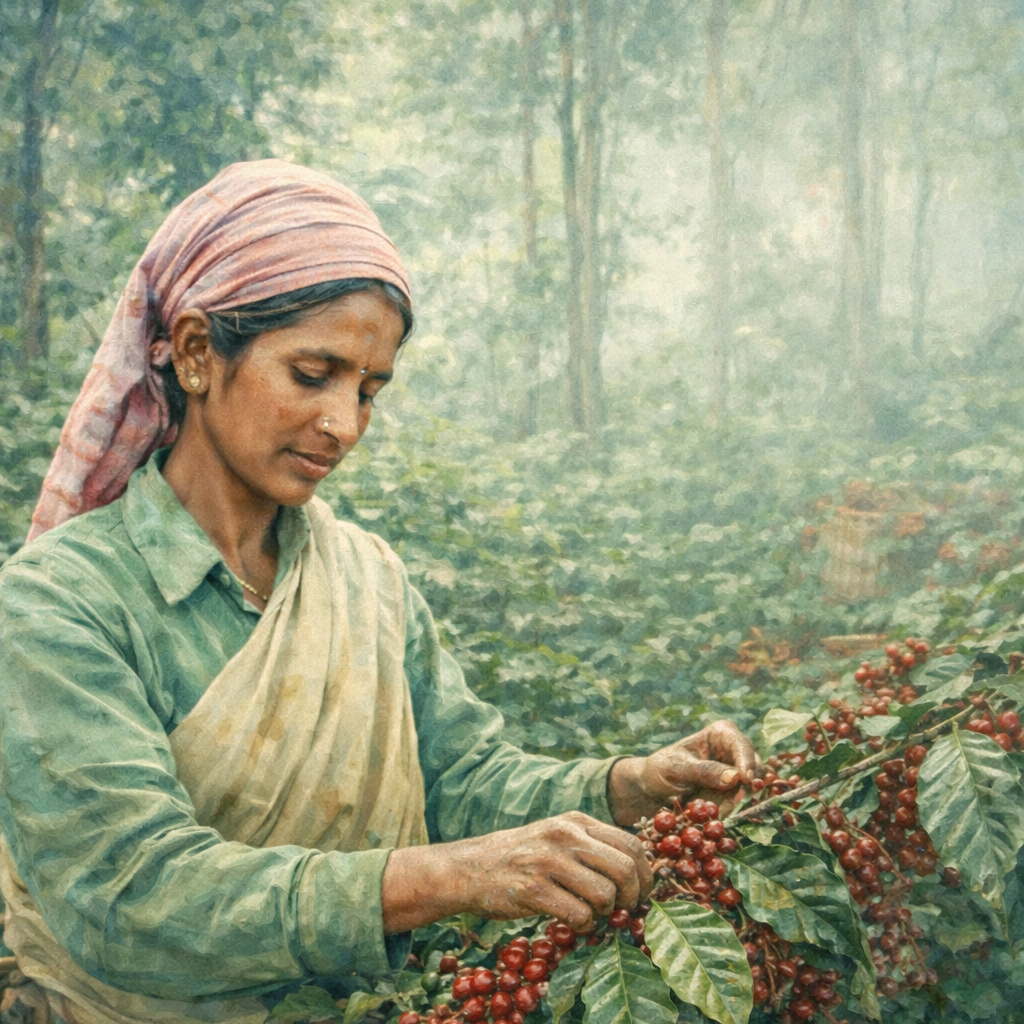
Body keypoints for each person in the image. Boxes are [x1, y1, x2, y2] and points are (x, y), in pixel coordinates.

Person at [0, 160, 758, 1024]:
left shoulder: (367, 578)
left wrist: (631, 783)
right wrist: (447, 875)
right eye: (313, 373)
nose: (345, 425)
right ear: (202, 353)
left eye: (370, 390)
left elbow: (464, 778)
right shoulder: (60, 603)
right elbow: (131, 898)